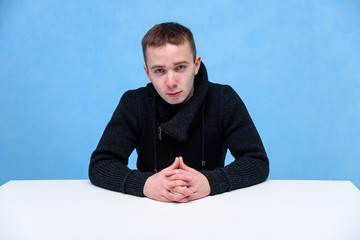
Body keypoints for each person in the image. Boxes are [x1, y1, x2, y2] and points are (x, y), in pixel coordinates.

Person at [89, 22, 269, 203]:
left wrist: (210, 182)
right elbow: (101, 164)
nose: (171, 82)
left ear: (196, 64)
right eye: (159, 70)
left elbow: (256, 161)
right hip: (149, 209)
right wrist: (145, 185)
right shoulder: (134, 103)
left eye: (180, 67)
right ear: (147, 73)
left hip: (211, 208)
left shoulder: (223, 99)